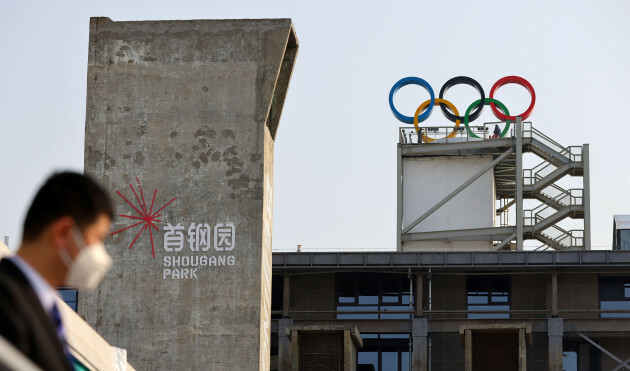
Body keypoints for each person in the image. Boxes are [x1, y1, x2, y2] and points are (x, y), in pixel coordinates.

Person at [0, 172, 114, 370]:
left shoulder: (46, 311)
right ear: (63, 232)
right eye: (97, 238)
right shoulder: (6, 299)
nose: (102, 255)